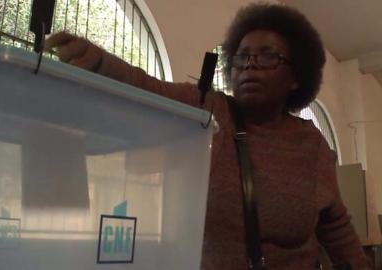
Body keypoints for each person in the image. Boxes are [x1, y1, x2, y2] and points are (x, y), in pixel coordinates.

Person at [45, 3, 372, 269]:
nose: (250, 66)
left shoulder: (312, 146)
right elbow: (150, 88)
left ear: (296, 78)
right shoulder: (208, 109)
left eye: (268, 56)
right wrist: (100, 61)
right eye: (241, 57)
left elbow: (336, 226)